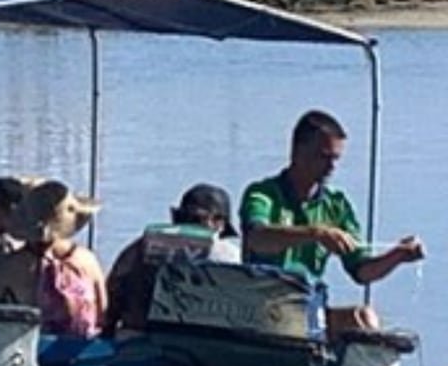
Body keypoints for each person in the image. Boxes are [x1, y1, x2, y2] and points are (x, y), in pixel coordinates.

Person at [239, 110, 425, 333]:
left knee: (364, 318)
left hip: (308, 307)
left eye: (335, 159)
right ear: (297, 151)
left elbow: (361, 271)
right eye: (323, 157)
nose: (331, 167)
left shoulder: (336, 205)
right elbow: (257, 238)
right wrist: (316, 234)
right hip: (261, 308)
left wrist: (398, 255)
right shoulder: (263, 194)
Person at [103, 183, 242, 336]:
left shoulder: (140, 246)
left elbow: (113, 292)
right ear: (219, 224)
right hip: (198, 342)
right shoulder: (228, 255)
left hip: (135, 338)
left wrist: (108, 330)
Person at [8, 179, 106, 337]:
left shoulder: (12, 266)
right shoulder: (87, 261)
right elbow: (103, 313)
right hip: (82, 347)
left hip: (31, 347)